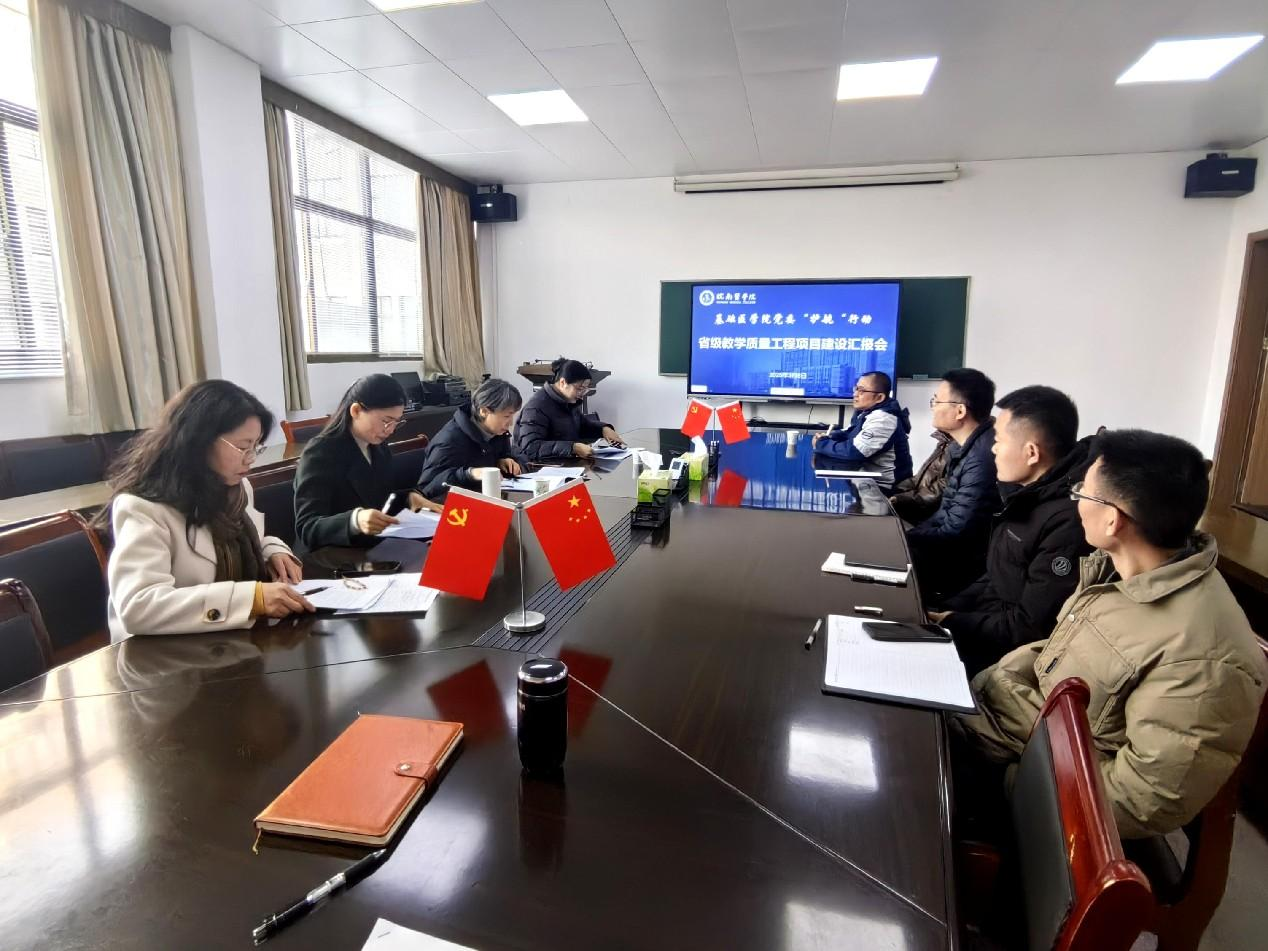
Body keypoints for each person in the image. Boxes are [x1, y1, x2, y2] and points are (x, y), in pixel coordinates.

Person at [953, 430, 1268, 839]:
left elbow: (1142, 801)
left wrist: (1010, 784)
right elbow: (1057, 656)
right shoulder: (1116, 571)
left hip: (1023, 787)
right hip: (992, 725)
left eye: (1082, 491)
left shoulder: (1206, 655)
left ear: (1112, 518)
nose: (1076, 502)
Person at [104, 380, 314, 640]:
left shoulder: (236, 489)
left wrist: (272, 551)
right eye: (242, 447)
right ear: (199, 440)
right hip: (163, 653)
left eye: (256, 448)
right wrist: (251, 598)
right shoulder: (143, 507)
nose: (250, 459)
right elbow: (138, 606)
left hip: (227, 639)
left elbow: (242, 540)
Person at [929, 386, 1092, 675]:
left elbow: (1029, 626)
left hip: (1004, 660)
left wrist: (950, 621)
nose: (993, 449)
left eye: (999, 441)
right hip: (983, 625)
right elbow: (997, 575)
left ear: (1031, 453)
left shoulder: (1068, 522)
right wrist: (941, 610)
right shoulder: (1023, 494)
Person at [293, 374, 429, 552]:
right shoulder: (320, 453)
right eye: (386, 421)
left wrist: (408, 499)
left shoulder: (377, 446)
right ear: (356, 411)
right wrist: (354, 521)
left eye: (396, 422)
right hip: (333, 555)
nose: (390, 430)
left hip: (372, 548)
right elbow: (307, 527)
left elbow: (378, 499)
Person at [906, 368, 999, 599]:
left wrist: (905, 539)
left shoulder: (981, 459)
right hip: (947, 552)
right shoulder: (962, 447)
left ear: (960, 411)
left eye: (937, 401)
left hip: (960, 569)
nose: (933, 407)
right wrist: (909, 535)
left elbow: (956, 532)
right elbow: (944, 513)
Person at [417, 378, 529, 500]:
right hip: (457, 507)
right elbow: (426, 491)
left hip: (490, 500)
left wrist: (507, 461)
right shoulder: (449, 441)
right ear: (484, 411)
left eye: (512, 416)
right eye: (506, 416)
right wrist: (469, 474)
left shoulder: (498, 431)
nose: (511, 423)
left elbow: (518, 458)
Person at [811, 371, 913, 491]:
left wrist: (821, 444)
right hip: (867, 480)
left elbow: (854, 451)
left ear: (880, 397)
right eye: (856, 388)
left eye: (862, 391)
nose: (855, 394)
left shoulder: (884, 419)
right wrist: (829, 437)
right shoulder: (866, 411)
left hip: (886, 489)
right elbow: (849, 432)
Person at [515, 358, 625, 461]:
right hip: (538, 469)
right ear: (563, 383)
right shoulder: (536, 407)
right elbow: (530, 447)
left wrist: (604, 429)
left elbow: (582, 426)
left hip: (563, 464)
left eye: (585, 389)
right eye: (579, 389)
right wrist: (572, 448)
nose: (582, 394)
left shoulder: (567, 401)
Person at [890, 430, 953, 524]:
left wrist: (901, 499)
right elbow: (918, 478)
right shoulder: (944, 443)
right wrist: (894, 491)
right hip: (918, 506)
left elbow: (941, 489)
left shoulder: (959, 449)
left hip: (929, 515)